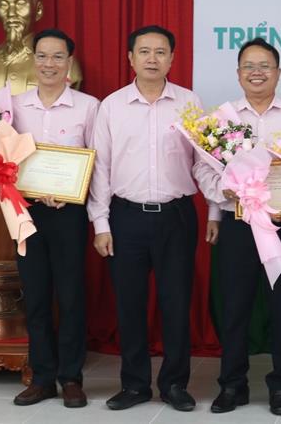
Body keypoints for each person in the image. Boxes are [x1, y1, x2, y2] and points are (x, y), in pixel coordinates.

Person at [87, 25, 220, 412]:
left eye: (160, 52)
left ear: (172, 59)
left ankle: (175, 384)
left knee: (176, 302)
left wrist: (215, 210)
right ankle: (134, 385)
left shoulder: (189, 103)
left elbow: (205, 161)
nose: (152, 58)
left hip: (176, 217)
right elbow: (100, 168)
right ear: (130, 58)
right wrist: (101, 224)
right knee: (129, 304)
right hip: (125, 217)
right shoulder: (111, 106)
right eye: (144, 51)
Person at [202, 38, 281, 416]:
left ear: (278, 73)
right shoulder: (222, 118)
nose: (257, 72)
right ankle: (232, 385)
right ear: (238, 74)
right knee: (235, 308)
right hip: (239, 225)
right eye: (249, 66)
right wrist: (221, 196)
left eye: (265, 65)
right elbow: (204, 168)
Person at [10, 29, 99, 408]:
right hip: (26, 213)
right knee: (35, 296)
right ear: (33, 60)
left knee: (71, 295)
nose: (49, 64)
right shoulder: (13, 106)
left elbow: (97, 160)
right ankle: (43, 377)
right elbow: (3, 158)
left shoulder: (88, 106)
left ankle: (71, 378)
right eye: (43, 56)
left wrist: (72, 191)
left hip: (69, 213)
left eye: (58, 56)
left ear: (69, 63)